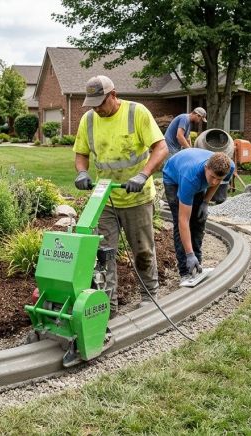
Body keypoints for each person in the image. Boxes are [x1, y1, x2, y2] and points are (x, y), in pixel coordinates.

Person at [73, 75, 169, 316]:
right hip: (105, 198)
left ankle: (149, 295)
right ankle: (108, 305)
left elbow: (161, 147)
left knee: (143, 250)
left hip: (136, 196)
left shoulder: (137, 113)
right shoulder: (89, 120)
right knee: (104, 253)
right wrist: (82, 172)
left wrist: (143, 175)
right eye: (92, 104)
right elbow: (81, 153)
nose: (96, 108)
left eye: (100, 103)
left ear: (113, 95)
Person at [162, 148, 234, 279]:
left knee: (199, 220)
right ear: (206, 167)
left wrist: (206, 201)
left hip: (196, 176)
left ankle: (197, 265)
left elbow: (215, 181)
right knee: (183, 224)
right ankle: (185, 270)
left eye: (219, 179)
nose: (214, 182)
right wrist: (189, 254)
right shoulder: (190, 178)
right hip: (173, 179)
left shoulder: (229, 167)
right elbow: (183, 220)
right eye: (212, 177)